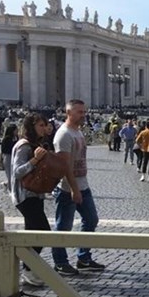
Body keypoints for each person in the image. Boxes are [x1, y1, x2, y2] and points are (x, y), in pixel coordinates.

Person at [52, 99, 104, 276]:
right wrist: (74, 189)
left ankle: (83, 258)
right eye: (79, 112)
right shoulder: (64, 135)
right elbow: (64, 166)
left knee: (91, 219)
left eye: (84, 111)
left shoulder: (78, 132)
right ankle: (60, 262)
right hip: (68, 188)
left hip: (83, 184)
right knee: (63, 227)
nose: (83, 115)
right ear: (68, 113)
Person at [11, 113, 56, 287]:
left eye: (45, 125)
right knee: (42, 231)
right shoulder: (23, 146)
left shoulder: (37, 144)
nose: (45, 128)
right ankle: (27, 267)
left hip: (36, 194)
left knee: (31, 233)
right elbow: (17, 171)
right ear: (31, 127)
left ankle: (28, 269)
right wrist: (35, 159)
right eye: (40, 125)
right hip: (25, 195)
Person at [0, 124, 18, 189]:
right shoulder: (7, 139)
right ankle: (10, 188)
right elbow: (4, 149)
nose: (17, 131)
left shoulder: (16, 138)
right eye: (16, 130)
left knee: (13, 174)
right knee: (9, 174)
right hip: (8, 156)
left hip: (14, 156)